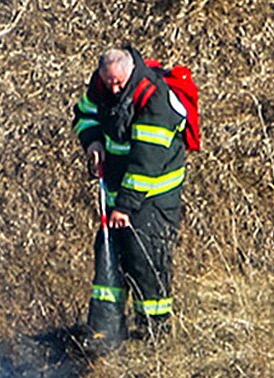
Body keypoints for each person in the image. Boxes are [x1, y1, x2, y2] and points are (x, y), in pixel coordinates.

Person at [72, 46, 189, 352]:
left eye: (119, 83)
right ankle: (105, 334)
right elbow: (84, 114)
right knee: (108, 258)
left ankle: (154, 339)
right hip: (116, 192)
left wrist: (125, 206)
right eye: (108, 82)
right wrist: (92, 140)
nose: (114, 88)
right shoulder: (101, 87)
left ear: (130, 73)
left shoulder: (154, 99)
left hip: (154, 195)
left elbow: (146, 163)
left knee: (146, 262)